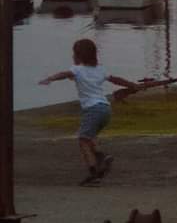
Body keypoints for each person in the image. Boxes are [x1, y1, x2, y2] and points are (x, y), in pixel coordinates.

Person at [39, 39, 142, 185]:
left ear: (78, 55)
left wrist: (50, 78)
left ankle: (94, 172)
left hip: (92, 110)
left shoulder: (77, 69)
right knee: (90, 138)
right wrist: (132, 85)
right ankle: (101, 158)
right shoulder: (99, 69)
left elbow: (64, 73)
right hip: (105, 109)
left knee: (83, 140)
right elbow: (115, 79)